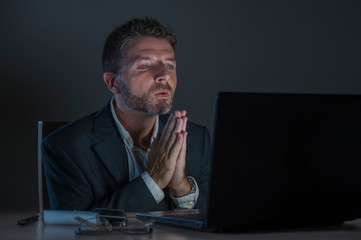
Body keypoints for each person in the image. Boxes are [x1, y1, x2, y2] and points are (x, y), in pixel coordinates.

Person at [42, 17, 211, 212]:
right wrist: (153, 180)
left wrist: (181, 188)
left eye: (169, 65)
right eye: (144, 66)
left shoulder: (198, 140)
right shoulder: (65, 147)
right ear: (113, 83)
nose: (164, 75)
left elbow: (214, 225)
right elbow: (77, 228)